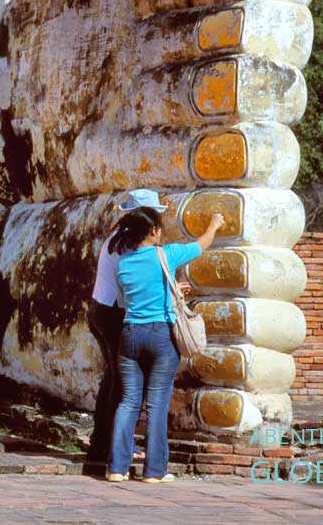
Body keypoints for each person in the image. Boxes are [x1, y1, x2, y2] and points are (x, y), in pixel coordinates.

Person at [105, 207, 225, 483]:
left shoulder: (122, 263)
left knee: (128, 402)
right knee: (156, 405)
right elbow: (201, 245)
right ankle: (154, 471)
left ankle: (116, 468)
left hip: (130, 334)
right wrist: (214, 224)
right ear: (153, 231)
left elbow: (127, 300)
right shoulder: (166, 254)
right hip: (160, 335)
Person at [87, 189, 168, 463]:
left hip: (101, 308)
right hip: (114, 313)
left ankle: (102, 443)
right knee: (125, 384)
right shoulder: (129, 246)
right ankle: (117, 446)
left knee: (114, 378)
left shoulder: (116, 237)